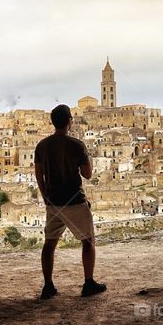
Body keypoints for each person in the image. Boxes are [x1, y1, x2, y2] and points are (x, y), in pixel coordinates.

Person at [34, 104, 107, 300]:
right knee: (88, 241)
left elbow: (39, 176)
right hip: (75, 200)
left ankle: (48, 286)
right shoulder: (77, 145)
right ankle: (88, 283)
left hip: (53, 203)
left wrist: (45, 197)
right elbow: (88, 174)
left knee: (49, 244)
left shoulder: (41, 146)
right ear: (69, 122)